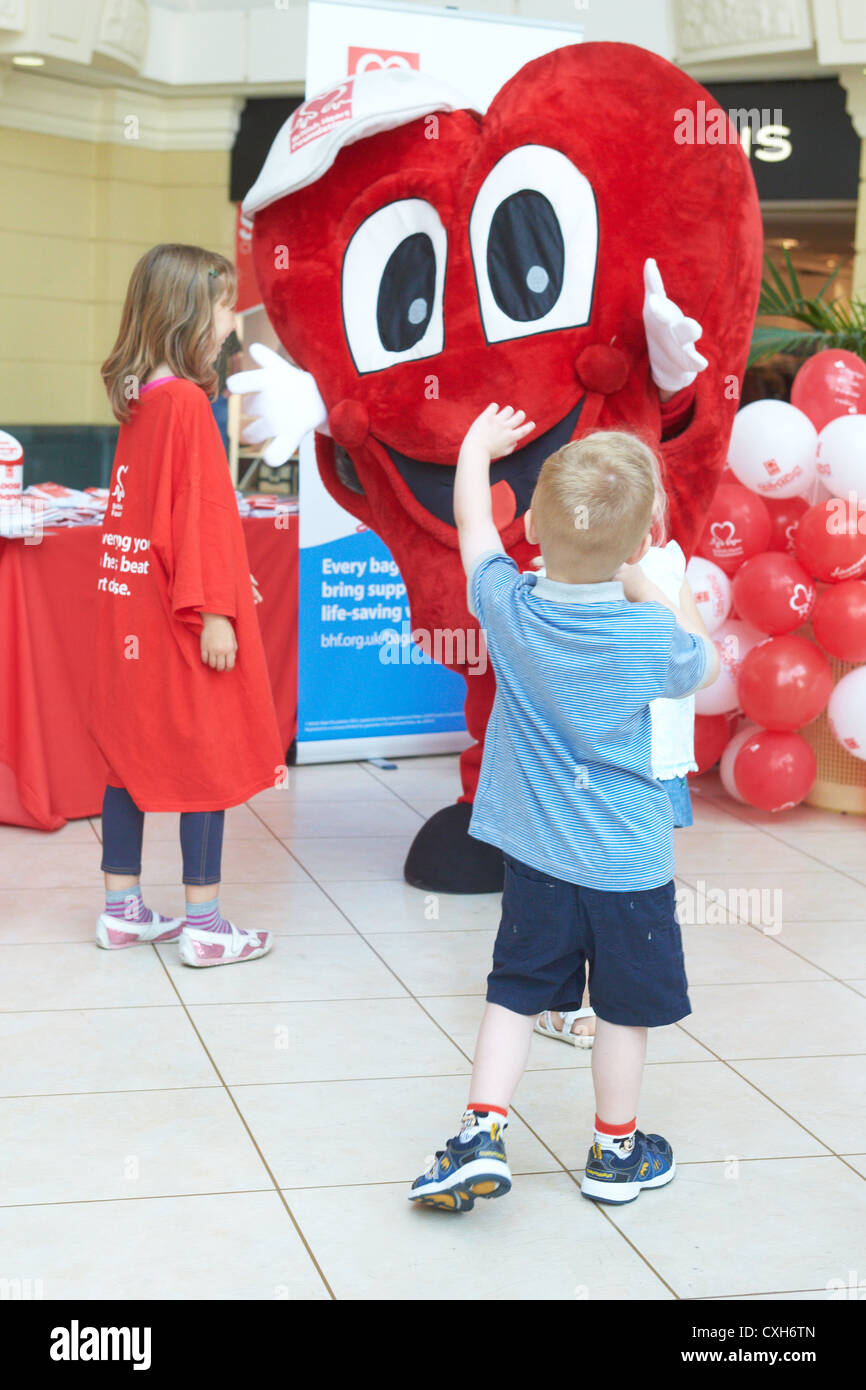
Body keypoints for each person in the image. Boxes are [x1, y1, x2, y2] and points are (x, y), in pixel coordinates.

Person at [409, 407, 719, 1209]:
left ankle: (480, 1133)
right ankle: (616, 1152)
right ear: (643, 540)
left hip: (538, 859)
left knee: (514, 988)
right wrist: (654, 595)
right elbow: (703, 660)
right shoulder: (649, 634)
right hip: (628, 866)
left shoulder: (513, 609)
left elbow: (474, 526)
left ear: (537, 535)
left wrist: (475, 446)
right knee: (622, 1010)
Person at [92, 243, 285, 968]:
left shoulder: (141, 400)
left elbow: (157, 521)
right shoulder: (189, 408)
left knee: (129, 758)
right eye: (224, 304)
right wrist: (216, 612)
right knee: (207, 753)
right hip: (181, 616)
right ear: (187, 316)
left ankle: (121, 909)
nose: (232, 320)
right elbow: (199, 517)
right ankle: (205, 924)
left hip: (130, 615)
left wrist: (236, 579)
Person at [534, 502, 703, 1048]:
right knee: (574, 883)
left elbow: (695, 657)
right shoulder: (556, 576)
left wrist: (644, 588)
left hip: (650, 762)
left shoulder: (667, 569)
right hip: (586, 768)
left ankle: (607, 995)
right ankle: (563, 999)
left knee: (625, 887)